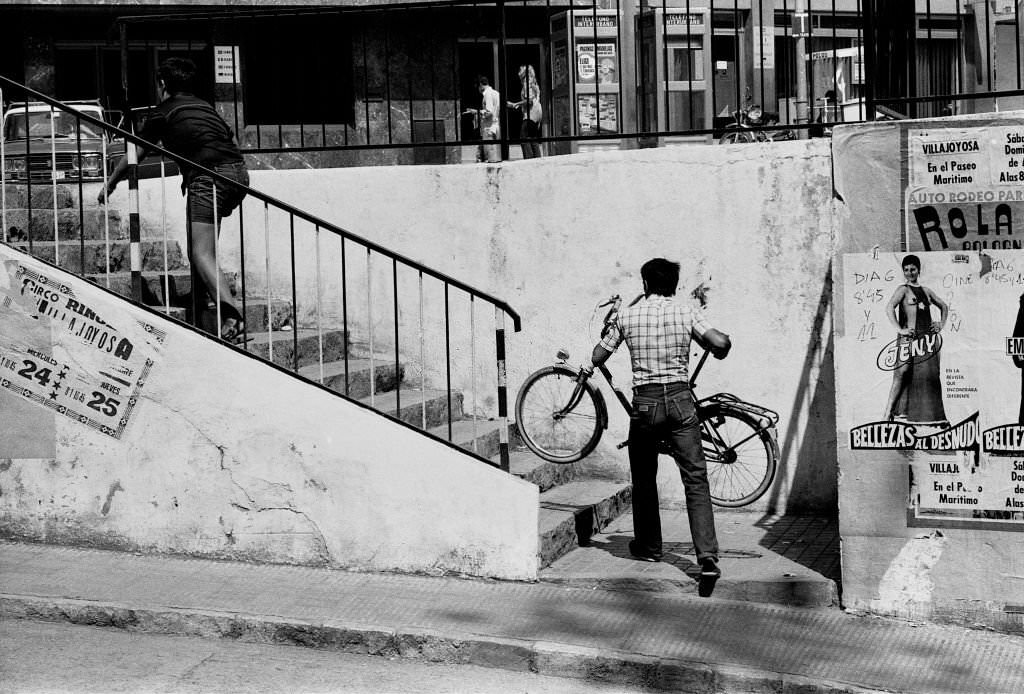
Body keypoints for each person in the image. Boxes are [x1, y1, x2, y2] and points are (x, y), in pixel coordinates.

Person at [588, 258, 731, 579]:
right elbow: (719, 343)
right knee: (695, 478)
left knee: (644, 477)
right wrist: (723, 345)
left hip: (645, 405)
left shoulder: (627, 315)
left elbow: (598, 356)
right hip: (681, 401)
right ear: (675, 286)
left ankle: (649, 547)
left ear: (645, 284)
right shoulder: (686, 312)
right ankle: (707, 557)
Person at [98, 57, 249, 343]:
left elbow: (135, 153)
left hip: (208, 178)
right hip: (238, 175)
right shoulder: (206, 107)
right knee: (203, 250)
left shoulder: (164, 112)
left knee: (201, 254)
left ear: (163, 84)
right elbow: (231, 141)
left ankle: (232, 318)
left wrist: (111, 183)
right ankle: (202, 307)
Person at [882, 254, 949, 427]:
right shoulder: (903, 290)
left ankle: (926, 417)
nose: (909, 273)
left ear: (919, 270)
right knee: (902, 372)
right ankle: (887, 414)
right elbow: (889, 307)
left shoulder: (926, 291)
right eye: (906, 270)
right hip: (909, 339)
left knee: (927, 376)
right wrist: (900, 329)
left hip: (926, 340)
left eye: (912, 269)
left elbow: (944, 306)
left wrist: (940, 324)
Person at [507, 65, 543, 159]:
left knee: (524, 137)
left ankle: (529, 160)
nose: (519, 71)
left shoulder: (527, 82)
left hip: (531, 113)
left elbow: (529, 101)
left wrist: (515, 104)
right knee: (532, 138)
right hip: (537, 112)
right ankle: (537, 160)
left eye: (521, 69)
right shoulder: (533, 81)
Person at [463, 75, 501, 163]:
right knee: (495, 158)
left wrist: (476, 112)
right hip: (495, 126)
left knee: (490, 159)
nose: (478, 90)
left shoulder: (487, 94)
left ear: (480, 85)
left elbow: (489, 112)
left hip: (489, 128)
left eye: (478, 87)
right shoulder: (496, 93)